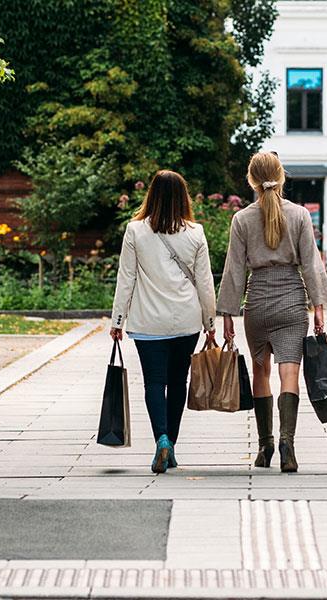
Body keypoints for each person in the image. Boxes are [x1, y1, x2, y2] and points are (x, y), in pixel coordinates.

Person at [218, 152, 327, 473]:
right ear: (281, 177)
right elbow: (311, 264)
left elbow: (234, 271)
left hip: (257, 303)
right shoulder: (299, 216)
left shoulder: (241, 219)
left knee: (261, 372)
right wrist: (319, 307)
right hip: (292, 302)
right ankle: (287, 443)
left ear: (251, 180)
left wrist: (227, 313)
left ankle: (264, 445)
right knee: (289, 373)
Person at [109, 170, 217, 474]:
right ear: (183, 197)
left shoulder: (135, 231)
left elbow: (126, 278)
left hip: (147, 323)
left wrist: (118, 319)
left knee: (154, 383)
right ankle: (171, 445)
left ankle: (162, 439)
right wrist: (210, 323)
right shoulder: (195, 232)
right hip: (185, 321)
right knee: (178, 382)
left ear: (151, 195)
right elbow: (205, 282)